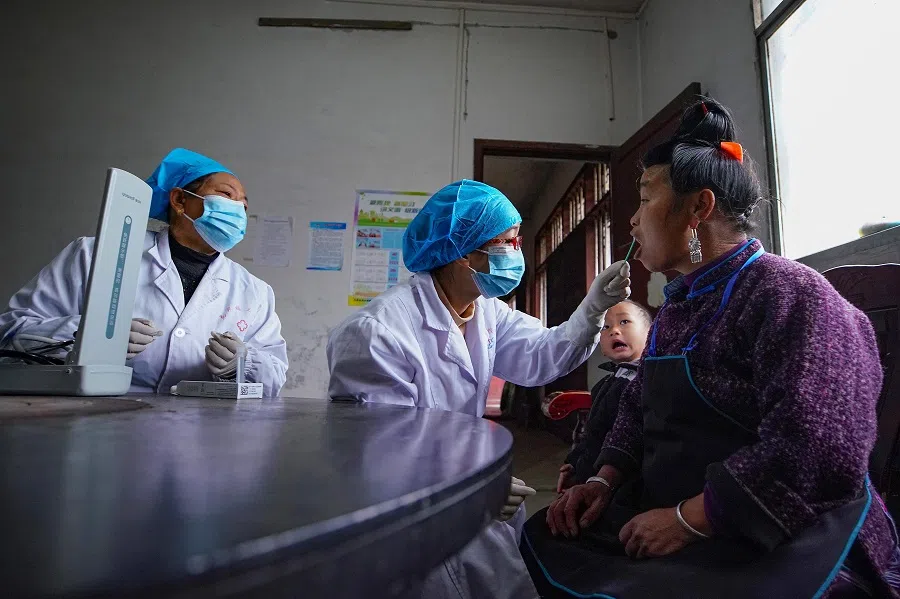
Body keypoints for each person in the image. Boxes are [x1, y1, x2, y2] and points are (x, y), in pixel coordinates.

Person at [522, 98, 900, 598]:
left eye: (645, 198)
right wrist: (603, 480)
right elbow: (641, 409)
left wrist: (688, 520)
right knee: (543, 537)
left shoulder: (790, 294)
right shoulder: (675, 309)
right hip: (676, 509)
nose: (632, 221)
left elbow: (820, 448)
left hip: (778, 531)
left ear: (699, 207)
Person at [326, 179, 631, 599]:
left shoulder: (485, 311)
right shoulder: (378, 332)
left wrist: (593, 308)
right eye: (506, 242)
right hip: (407, 517)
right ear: (463, 252)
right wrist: (473, 488)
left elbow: (543, 355)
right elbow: (377, 457)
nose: (516, 253)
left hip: (462, 499)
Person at [0, 148, 288, 396]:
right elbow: (11, 333)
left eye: (243, 204)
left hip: (200, 438)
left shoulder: (255, 291)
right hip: (95, 420)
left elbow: (275, 376)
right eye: (227, 195)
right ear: (179, 200)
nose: (238, 208)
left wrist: (242, 365)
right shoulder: (95, 254)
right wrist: (90, 336)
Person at [555, 300, 651, 492]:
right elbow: (593, 433)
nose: (614, 330)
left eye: (624, 322)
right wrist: (574, 463)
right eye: (605, 327)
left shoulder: (649, 382)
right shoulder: (604, 385)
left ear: (651, 332)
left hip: (623, 485)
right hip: (589, 478)